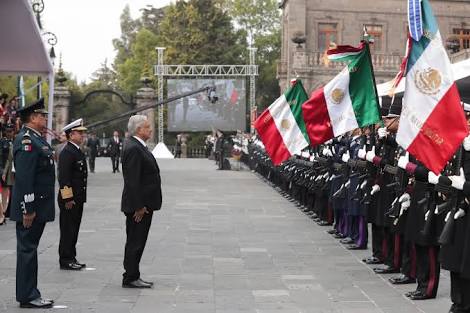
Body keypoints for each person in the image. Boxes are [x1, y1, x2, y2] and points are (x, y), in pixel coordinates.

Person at [11, 98, 55, 308]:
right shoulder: (27, 141)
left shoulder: (37, 139)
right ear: (33, 118)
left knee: (30, 249)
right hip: (31, 208)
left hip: (38, 206)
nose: (45, 118)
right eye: (42, 115)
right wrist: (28, 208)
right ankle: (28, 296)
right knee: (27, 250)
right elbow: (25, 178)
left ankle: (31, 292)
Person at [121, 115, 162, 288]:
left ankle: (133, 274)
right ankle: (130, 276)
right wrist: (138, 206)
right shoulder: (134, 148)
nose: (150, 129)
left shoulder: (138, 146)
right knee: (135, 242)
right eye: (147, 127)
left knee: (138, 240)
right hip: (139, 207)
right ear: (138, 130)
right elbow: (132, 180)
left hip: (144, 204)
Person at [57, 119, 88, 271]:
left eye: (83, 132)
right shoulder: (67, 152)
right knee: (68, 229)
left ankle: (71, 256)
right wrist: (68, 198)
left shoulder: (76, 150)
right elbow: (64, 178)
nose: (83, 135)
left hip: (77, 198)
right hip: (69, 199)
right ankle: (65, 259)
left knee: (74, 229)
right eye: (79, 133)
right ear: (71, 134)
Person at [0, 124, 15, 224]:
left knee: (8, 191)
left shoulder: (16, 141)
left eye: (11, 131)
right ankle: (3, 213)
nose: (9, 133)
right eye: (8, 131)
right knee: (3, 192)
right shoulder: (2, 142)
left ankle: (5, 212)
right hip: (4, 170)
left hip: (13, 170)